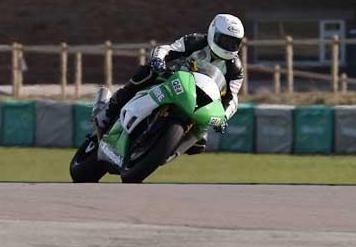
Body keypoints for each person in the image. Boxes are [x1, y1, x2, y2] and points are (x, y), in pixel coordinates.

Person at [95, 13, 245, 152]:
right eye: (225, 40)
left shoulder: (235, 69)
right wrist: (158, 60)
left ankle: (166, 149)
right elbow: (168, 49)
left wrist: (223, 117)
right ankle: (110, 109)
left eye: (233, 43)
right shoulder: (196, 41)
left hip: (200, 100)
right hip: (174, 79)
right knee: (147, 73)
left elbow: (232, 98)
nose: (228, 46)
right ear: (213, 33)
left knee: (199, 144)